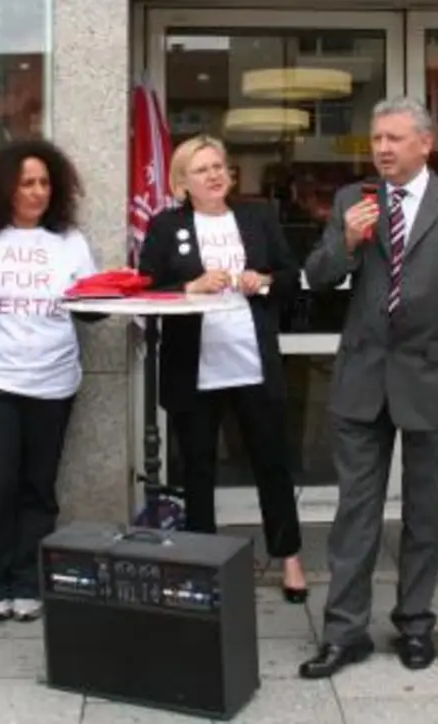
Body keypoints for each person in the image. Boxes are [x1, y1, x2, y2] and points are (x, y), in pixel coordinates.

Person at [298, 97, 438, 678]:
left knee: (425, 511)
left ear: (425, 144)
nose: (384, 149)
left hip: (433, 378)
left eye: (395, 138)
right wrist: (346, 240)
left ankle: (415, 623)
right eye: (377, 139)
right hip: (362, 379)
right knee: (355, 513)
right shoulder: (353, 201)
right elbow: (317, 276)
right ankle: (344, 633)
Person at [137, 136, 309, 602]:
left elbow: (294, 279)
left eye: (219, 167)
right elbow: (147, 288)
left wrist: (266, 281)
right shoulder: (165, 225)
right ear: (181, 182)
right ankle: (202, 565)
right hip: (194, 369)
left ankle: (290, 557)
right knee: (198, 470)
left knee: (271, 464)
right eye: (201, 169)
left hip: (252, 365)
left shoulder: (257, 219)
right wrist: (190, 287)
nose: (214, 175)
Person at [0, 140, 98, 622]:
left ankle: (28, 579)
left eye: (45, 182)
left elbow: (87, 310)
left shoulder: (69, 240)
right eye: (26, 182)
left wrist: (116, 293)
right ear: (4, 186)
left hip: (53, 381)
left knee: (38, 486)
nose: (37, 191)